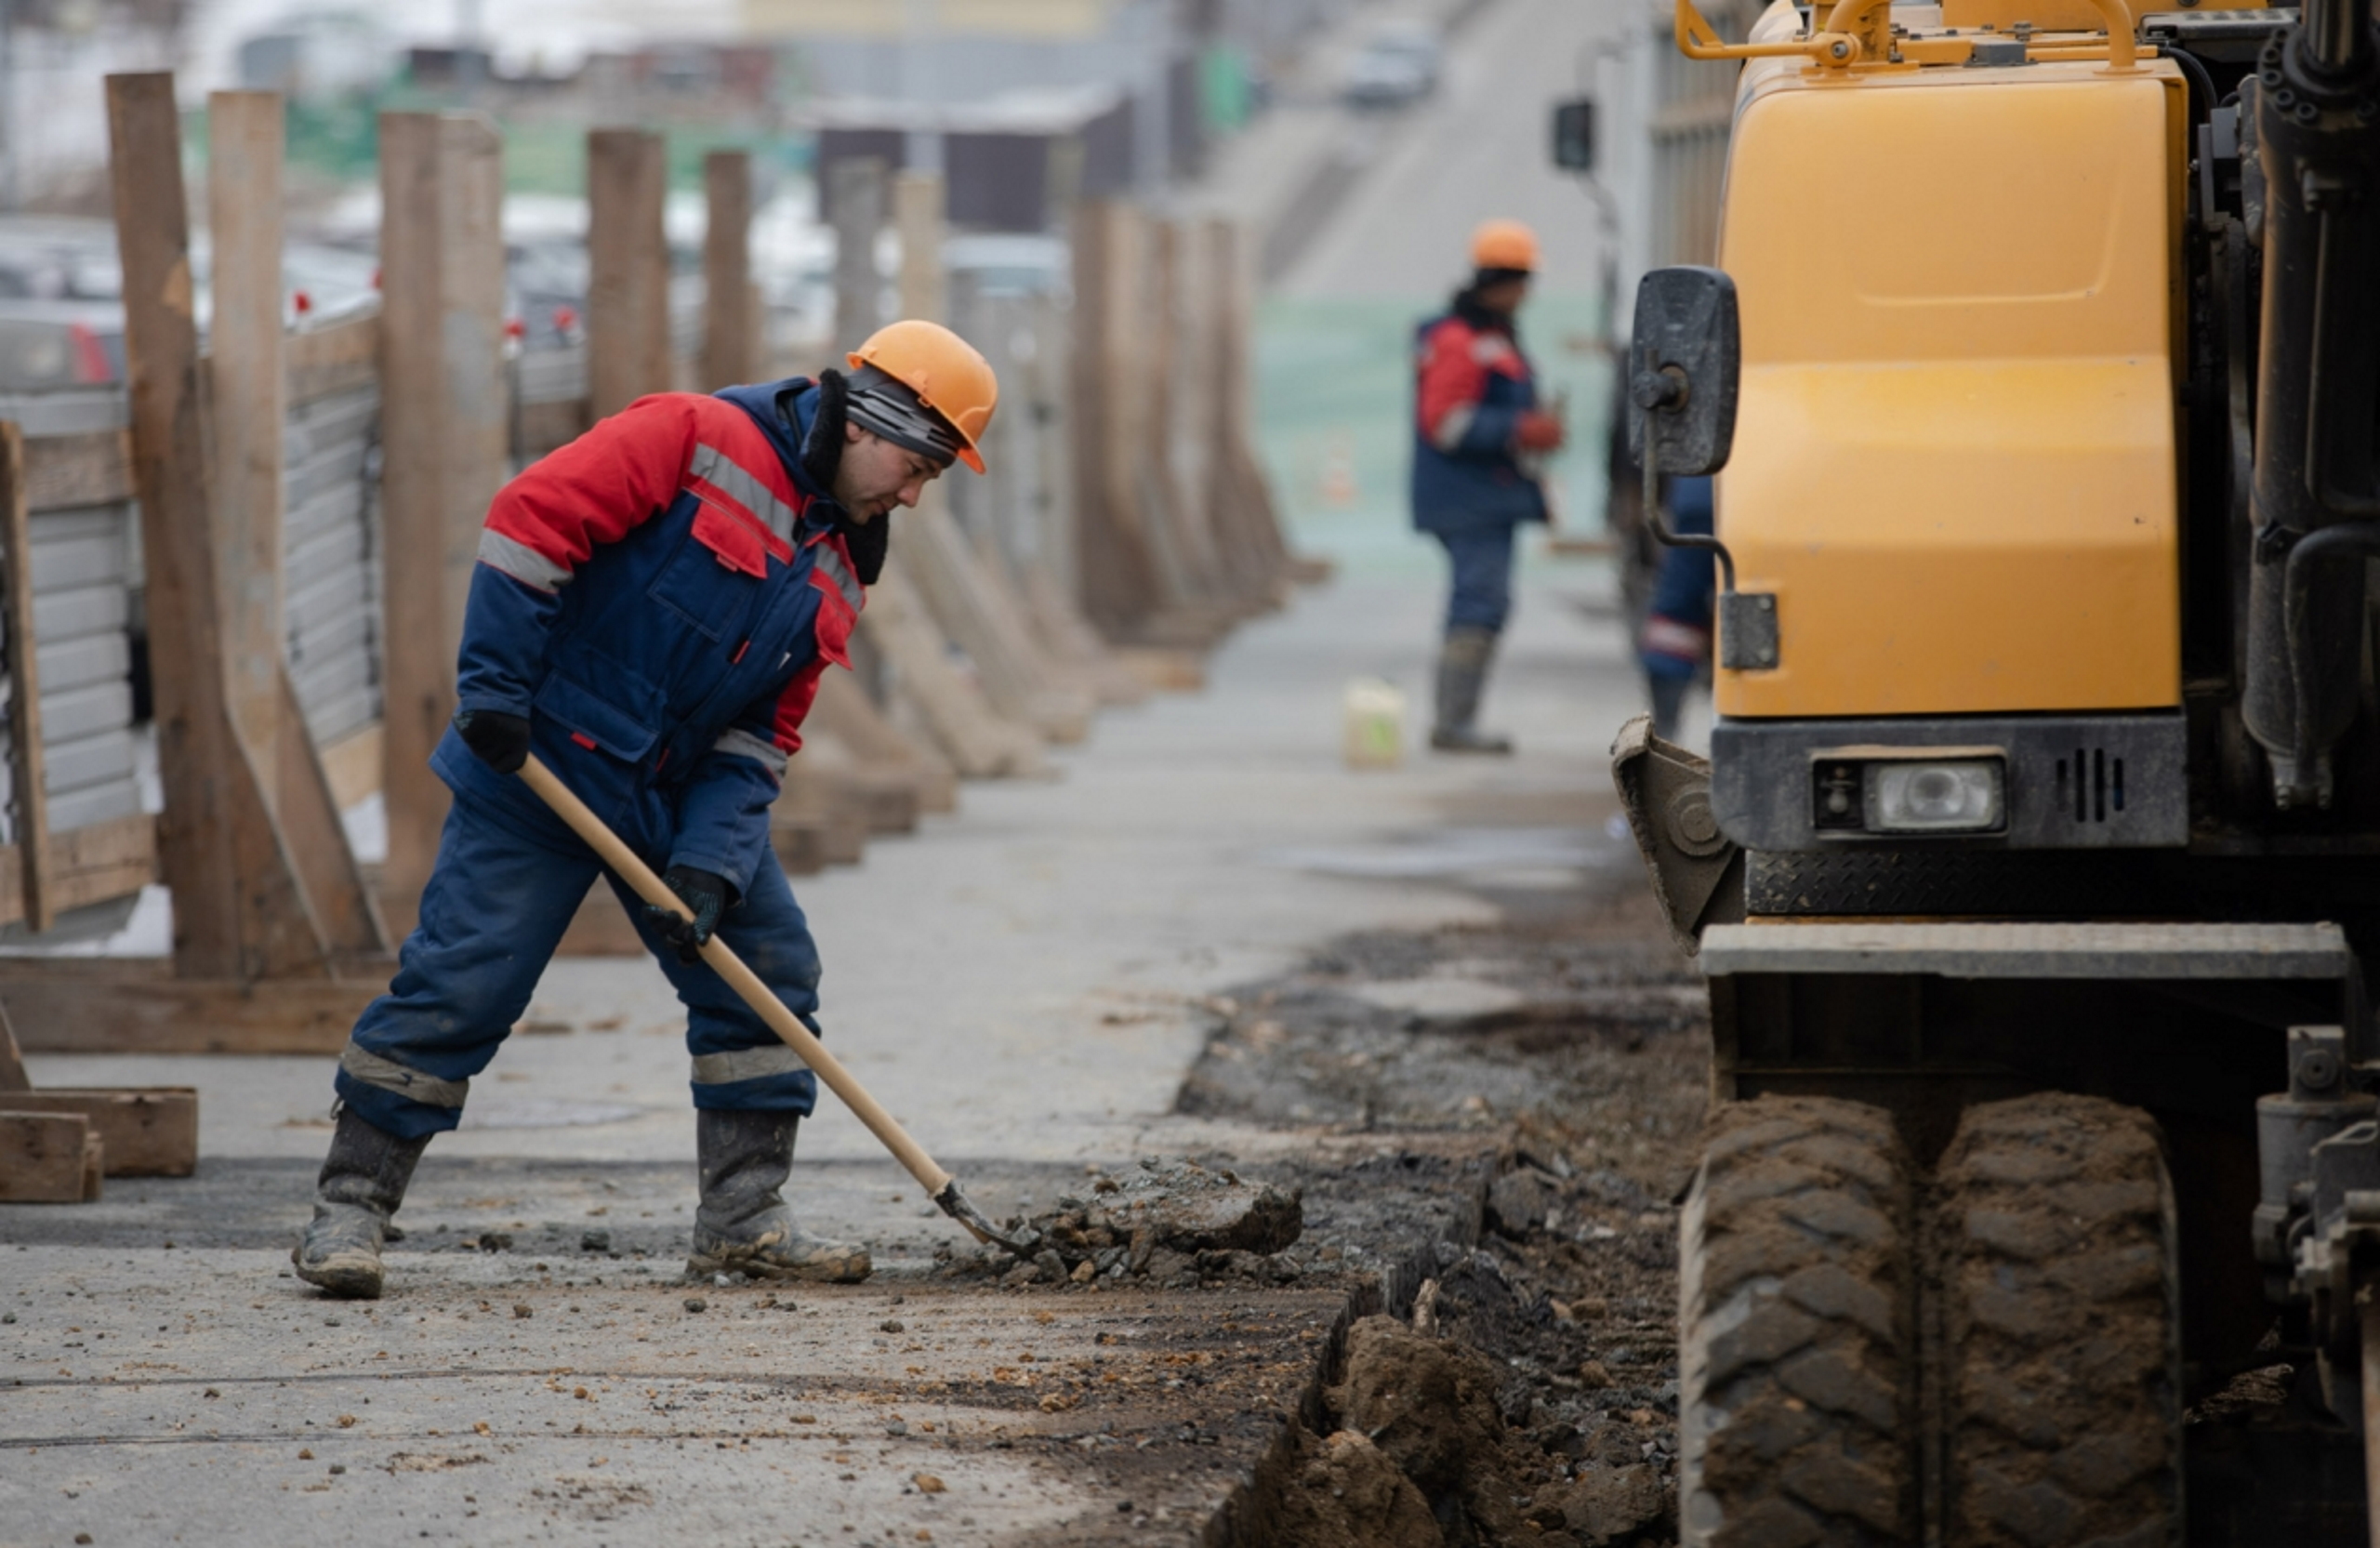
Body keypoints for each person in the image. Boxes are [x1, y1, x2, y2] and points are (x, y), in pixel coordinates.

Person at [290, 321, 998, 1301]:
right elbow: (528, 522)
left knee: (768, 969)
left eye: (932, 478)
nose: (913, 494)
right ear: (869, 420)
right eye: (917, 466)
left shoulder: (841, 566)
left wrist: (711, 861)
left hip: (673, 791)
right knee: (464, 982)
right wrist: (494, 692)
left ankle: (744, 1221)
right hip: (541, 763)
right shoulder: (691, 437)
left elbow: (762, 735)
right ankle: (349, 1213)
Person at [1410, 218, 1564, 754]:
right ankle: (1453, 724)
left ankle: (1456, 720)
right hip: (1469, 498)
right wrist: (1521, 429)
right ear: (1506, 280)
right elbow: (1446, 422)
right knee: (1479, 601)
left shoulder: (1488, 337)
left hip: (1483, 495)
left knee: (1485, 601)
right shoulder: (1461, 341)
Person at [1638, 475, 1715, 740]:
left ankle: (1666, 736)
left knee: (1678, 611)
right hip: (1785, 493)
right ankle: (1666, 736)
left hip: (1703, 487)